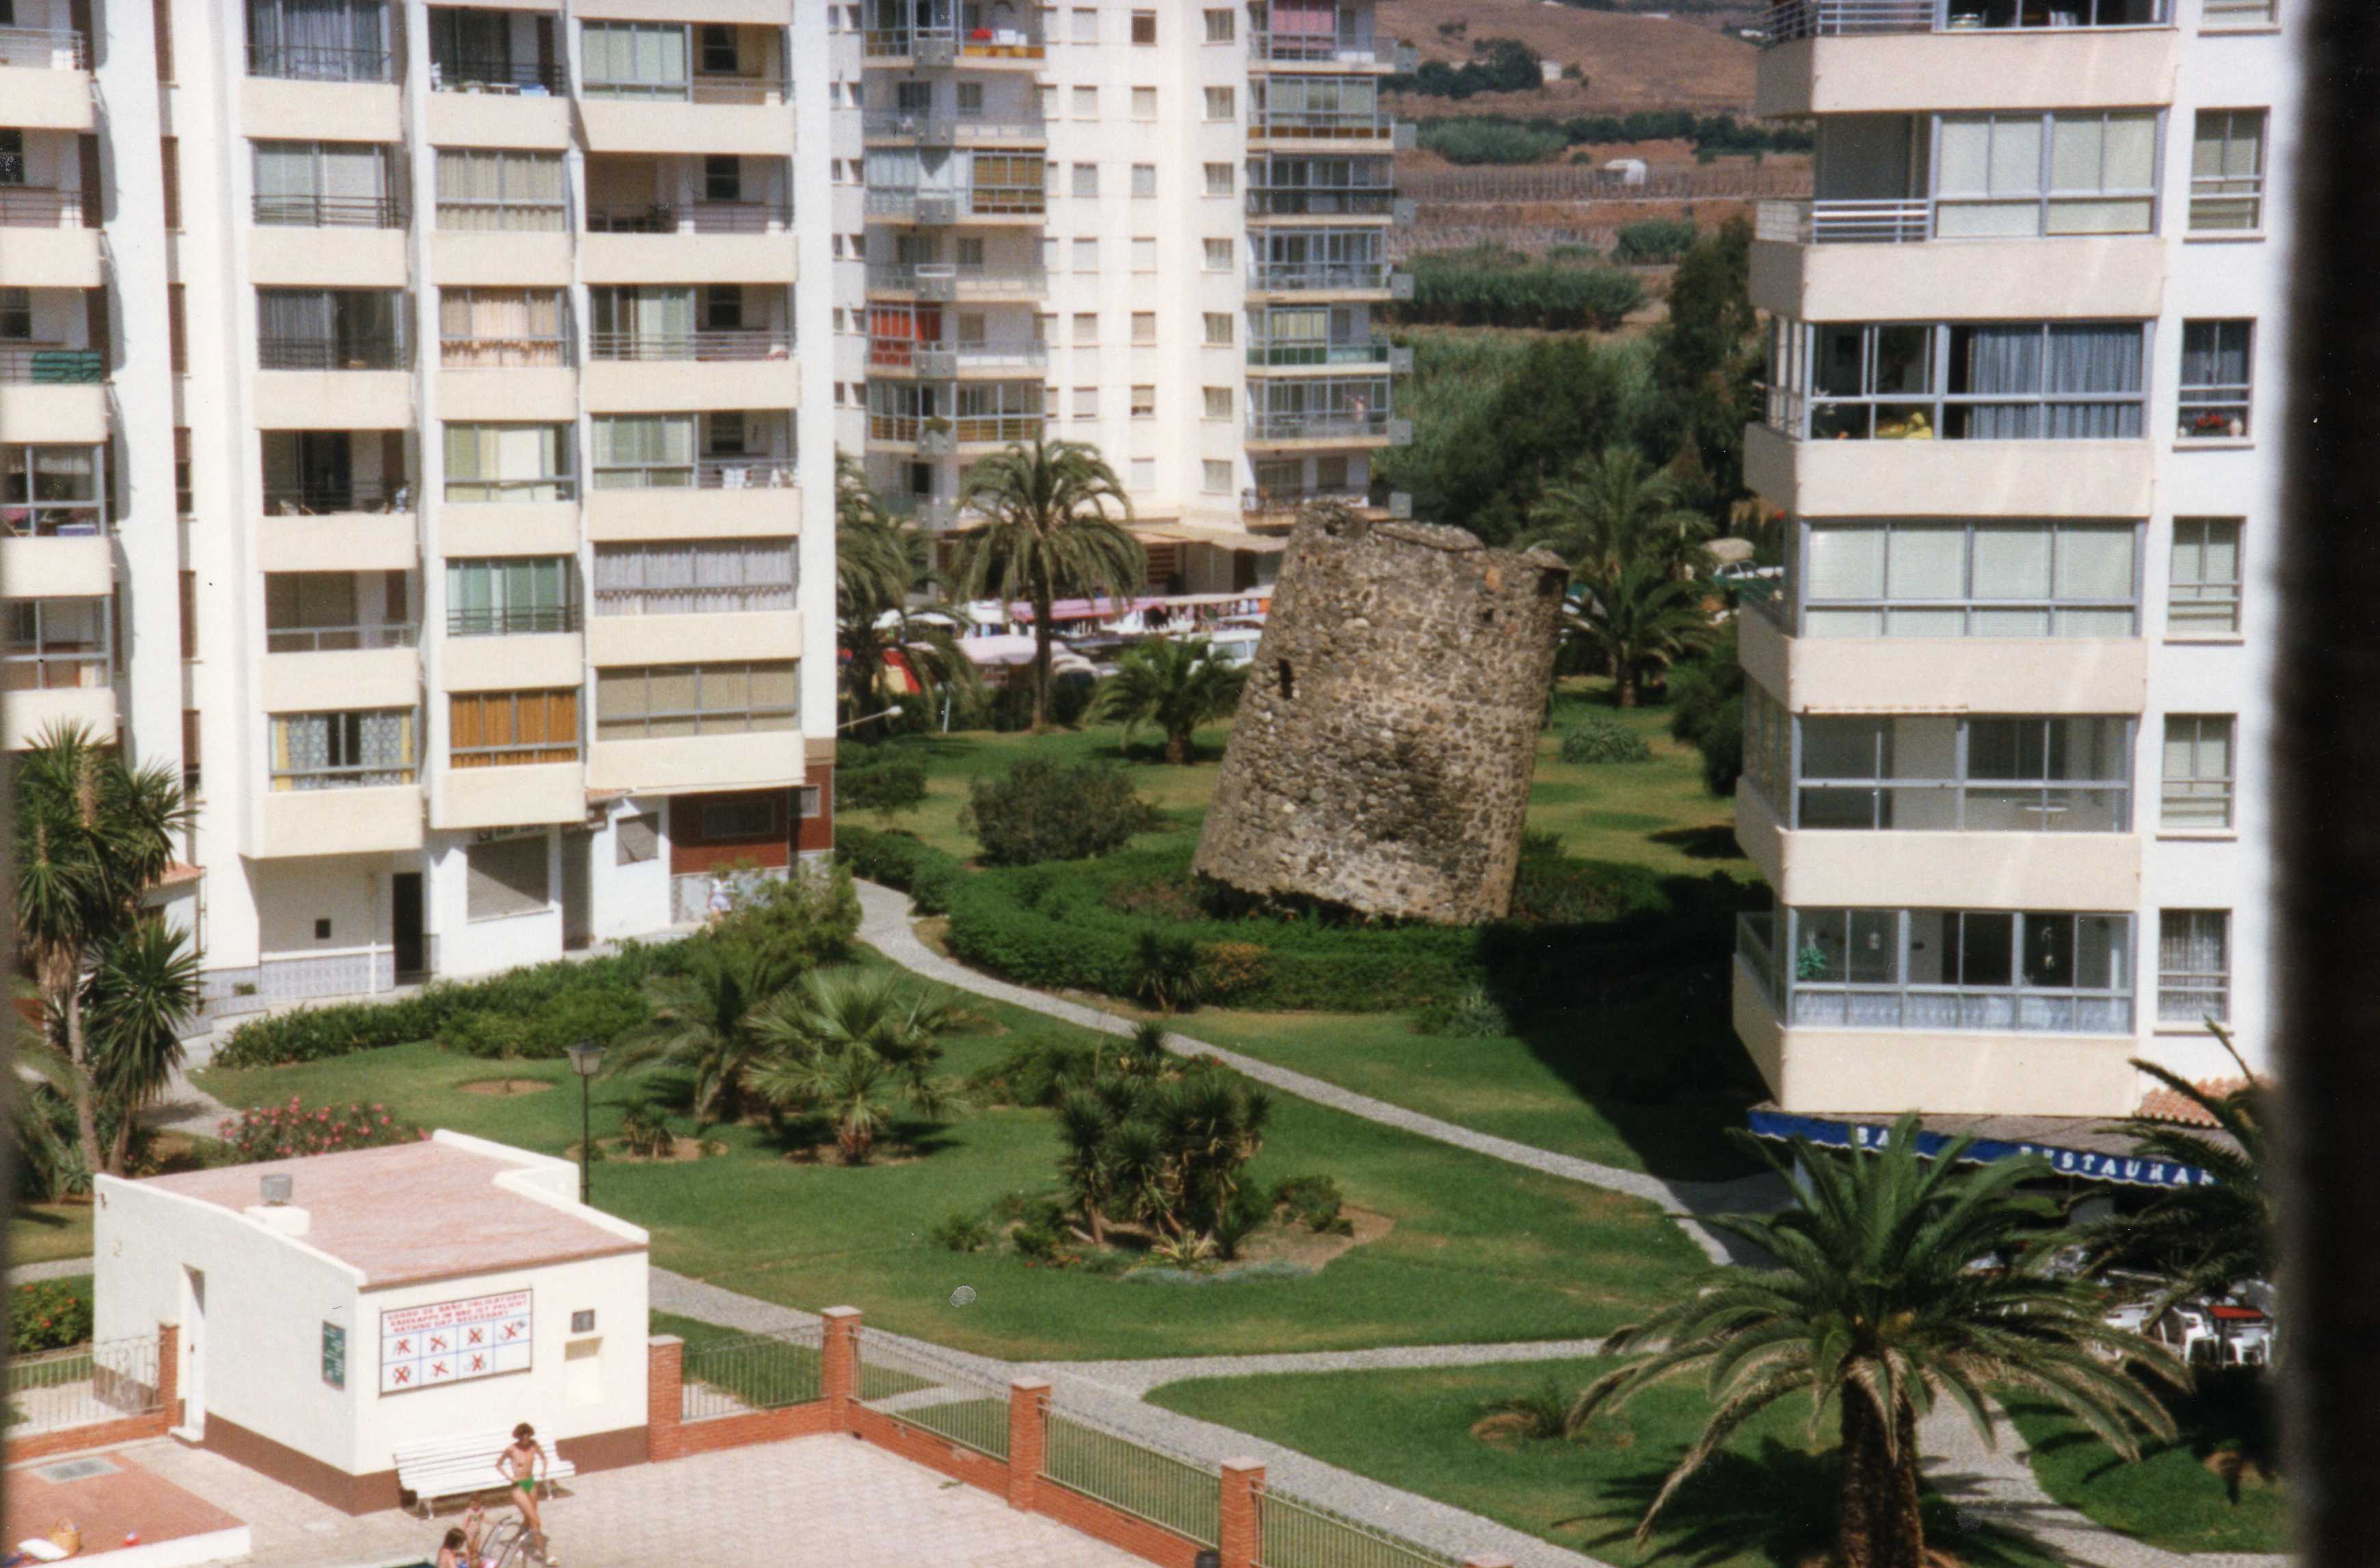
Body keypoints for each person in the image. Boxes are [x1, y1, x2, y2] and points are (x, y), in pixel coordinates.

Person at [496, 1423, 551, 1563]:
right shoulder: (512, 1449)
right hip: (518, 1486)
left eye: (528, 1435)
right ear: (519, 1436)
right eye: (523, 1436)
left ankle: (517, 1544)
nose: (526, 1439)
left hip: (531, 1483)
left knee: (528, 1519)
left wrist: (544, 1470)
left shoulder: (534, 1446)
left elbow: (544, 1458)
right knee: (535, 1520)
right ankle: (544, 1555)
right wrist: (510, 1477)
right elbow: (498, 1464)